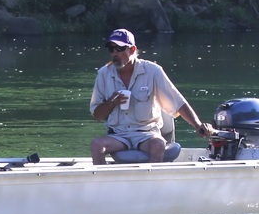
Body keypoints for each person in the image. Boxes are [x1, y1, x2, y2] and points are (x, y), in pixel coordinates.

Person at [89, 28, 215, 164]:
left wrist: (198, 125)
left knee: (158, 144)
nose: (115, 53)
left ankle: (154, 183)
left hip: (147, 134)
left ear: (132, 50)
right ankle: (103, 183)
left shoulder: (153, 71)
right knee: (96, 145)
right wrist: (111, 103)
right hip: (118, 135)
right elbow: (97, 115)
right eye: (111, 49)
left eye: (119, 48)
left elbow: (178, 102)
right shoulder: (103, 74)